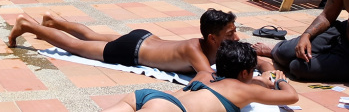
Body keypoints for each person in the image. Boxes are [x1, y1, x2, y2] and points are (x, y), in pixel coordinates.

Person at [9, 9, 243, 74]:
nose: (237, 37)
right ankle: (28, 25)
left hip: (145, 37)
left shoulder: (203, 44)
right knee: (76, 46)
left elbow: (252, 53)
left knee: (91, 35)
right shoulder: (196, 52)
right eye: (231, 33)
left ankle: (54, 20)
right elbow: (207, 78)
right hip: (132, 50)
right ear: (212, 38)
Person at [101, 40, 299, 112]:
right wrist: (280, 80)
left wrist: (259, 77)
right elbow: (291, 97)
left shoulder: (207, 74)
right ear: (245, 72)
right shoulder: (245, 89)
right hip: (169, 109)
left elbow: (229, 83)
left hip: (146, 96)